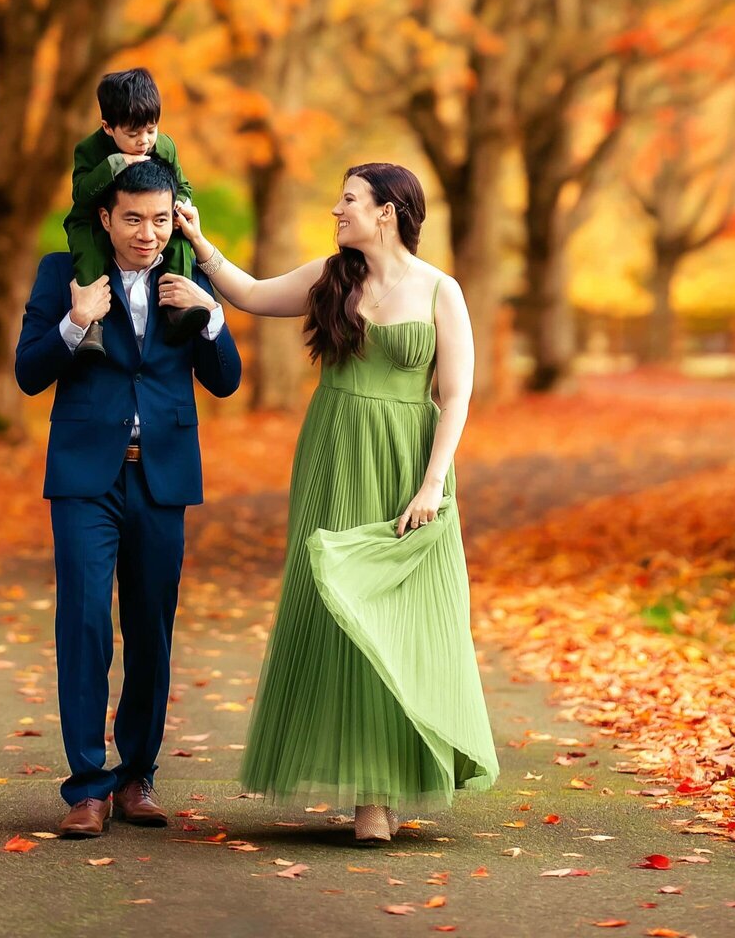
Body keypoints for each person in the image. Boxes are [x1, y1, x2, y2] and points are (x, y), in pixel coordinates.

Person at [174, 162, 497, 845]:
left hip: (409, 459)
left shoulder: (442, 290)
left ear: (388, 211)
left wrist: (434, 483)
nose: (336, 209)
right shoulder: (331, 277)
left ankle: (391, 783)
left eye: (348, 199)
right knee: (339, 607)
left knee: (401, 614)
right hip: (333, 450)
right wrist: (202, 248)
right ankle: (367, 795)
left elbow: (458, 393)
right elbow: (254, 294)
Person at [15, 155, 241, 839]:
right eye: (134, 219)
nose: (148, 232)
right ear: (106, 219)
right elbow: (28, 372)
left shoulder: (191, 276)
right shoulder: (65, 275)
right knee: (84, 625)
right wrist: (75, 322)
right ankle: (88, 788)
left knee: (151, 629)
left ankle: (137, 776)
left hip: (162, 476)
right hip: (87, 476)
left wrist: (210, 316)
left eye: (160, 219)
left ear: (175, 219)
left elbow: (226, 380)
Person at [64, 65, 208, 347]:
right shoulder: (89, 150)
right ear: (108, 127)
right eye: (133, 134)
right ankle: (93, 325)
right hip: (92, 218)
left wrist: (180, 205)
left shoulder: (164, 146)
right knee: (88, 251)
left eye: (151, 130)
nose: (144, 141)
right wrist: (117, 163)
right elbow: (80, 194)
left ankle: (177, 306)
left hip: (151, 216)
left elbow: (183, 184)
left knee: (178, 238)